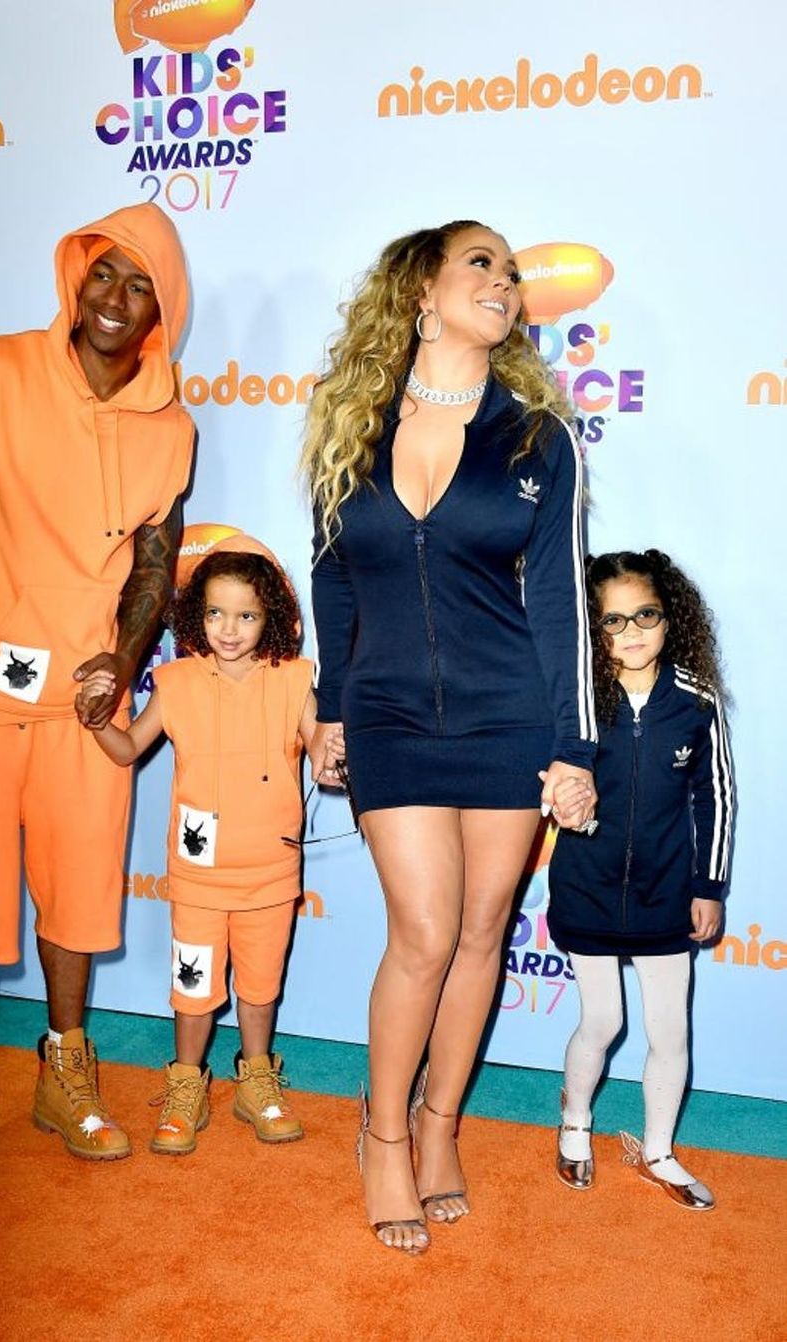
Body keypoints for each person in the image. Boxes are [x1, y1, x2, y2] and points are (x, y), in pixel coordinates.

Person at [0, 203, 195, 1219]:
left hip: (83, 705)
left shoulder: (171, 424)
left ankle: (65, 1074)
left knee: (74, 893)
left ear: (163, 306)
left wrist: (126, 653)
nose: (114, 299)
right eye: (102, 274)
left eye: (138, 283)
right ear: (77, 276)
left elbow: (154, 563)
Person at [301, 220, 597, 1254]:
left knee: (480, 934)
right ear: (419, 290)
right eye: (481, 263)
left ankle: (437, 1127)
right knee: (422, 933)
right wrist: (330, 701)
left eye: (511, 273)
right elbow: (331, 572)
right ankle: (381, 1135)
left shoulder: (534, 438)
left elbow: (559, 600)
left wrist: (574, 746)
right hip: (384, 712)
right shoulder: (349, 423)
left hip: (506, 713)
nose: (503, 282)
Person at [76, 538, 319, 1154]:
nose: (230, 629)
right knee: (195, 985)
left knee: (261, 985)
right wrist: (99, 721)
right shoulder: (177, 681)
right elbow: (129, 749)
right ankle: (186, 1082)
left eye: (246, 615)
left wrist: (340, 753)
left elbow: (324, 751)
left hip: (270, 871)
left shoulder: (294, 681)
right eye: (215, 613)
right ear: (195, 617)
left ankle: (256, 1079)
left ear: (272, 620)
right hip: (198, 874)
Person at [546, 549, 734, 1210]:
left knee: (669, 1033)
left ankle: (658, 1150)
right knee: (600, 1021)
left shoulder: (695, 701)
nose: (630, 633)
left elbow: (716, 799)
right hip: (585, 885)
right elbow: (543, 782)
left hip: (666, 892)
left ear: (669, 617)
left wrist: (707, 886)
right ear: (590, 629)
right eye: (611, 621)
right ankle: (574, 1126)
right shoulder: (575, 701)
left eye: (644, 615)